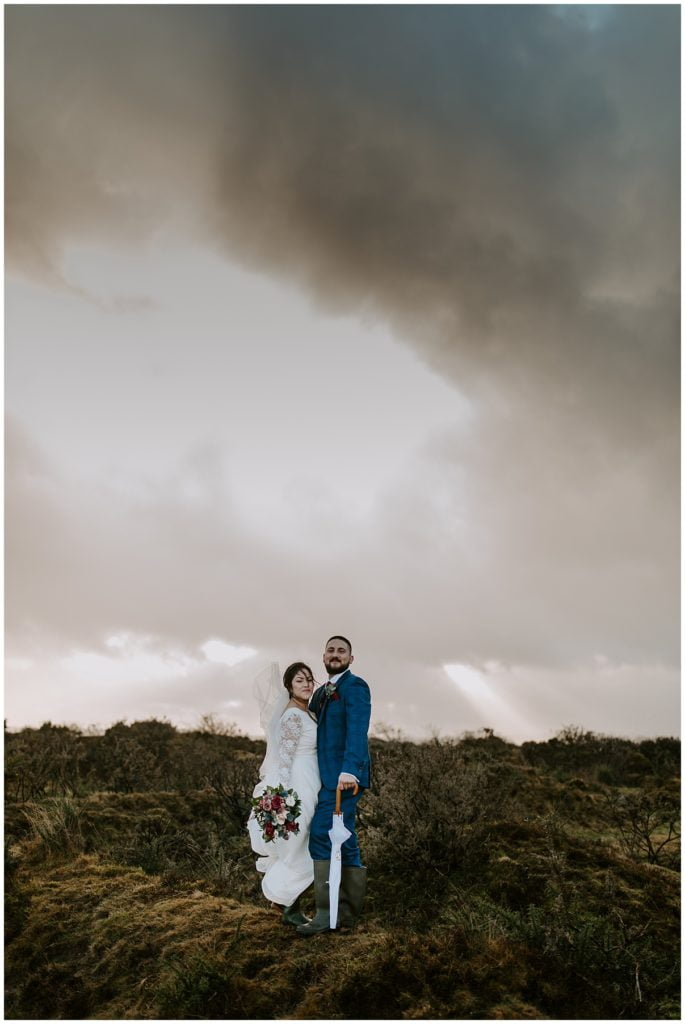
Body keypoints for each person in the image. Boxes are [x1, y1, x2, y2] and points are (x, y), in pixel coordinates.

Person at [296, 635, 371, 936]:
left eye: (342, 651)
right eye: (331, 650)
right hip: (325, 776)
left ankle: (325, 915)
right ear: (323, 656)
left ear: (351, 659)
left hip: (344, 778)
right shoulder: (321, 693)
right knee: (345, 838)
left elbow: (357, 729)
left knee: (321, 833)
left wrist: (350, 770)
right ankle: (348, 916)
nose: (335, 654)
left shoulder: (355, 686)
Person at [247, 662, 320, 927]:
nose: (307, 684)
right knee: (297, 844)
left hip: (311, 778)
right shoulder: (292, 716)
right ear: (289, 686)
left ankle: (285, 902)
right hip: (298, 783)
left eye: (309, 679)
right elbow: (285, 759)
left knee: (303, 843)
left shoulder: (307, 712)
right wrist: (284, 798)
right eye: (300, 680)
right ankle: (286, 902)